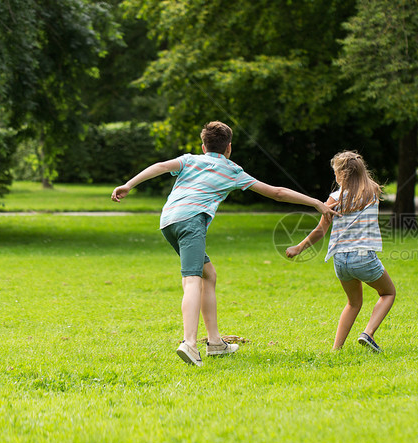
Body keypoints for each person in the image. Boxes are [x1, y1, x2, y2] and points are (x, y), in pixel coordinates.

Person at [112, 121, 337, 367]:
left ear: (203, 146)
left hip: (169, 221)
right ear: (229, 148)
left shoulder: (190, 160)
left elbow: (161, 166)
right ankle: (189, 343)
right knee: (192, 280)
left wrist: (129, 184)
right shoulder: (232, 170)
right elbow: (277, 193)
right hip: (191, 222)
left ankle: (216, 343)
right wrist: (316, 203)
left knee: (209, 275)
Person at [285, 151, 396, 352]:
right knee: (388, 293)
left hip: (340, 260)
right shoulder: (371, 191)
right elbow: (368, 183)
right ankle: (368, 333)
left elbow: (320, 231)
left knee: (353, 303)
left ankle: (336, 349)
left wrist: (299, 247)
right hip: (363, 257)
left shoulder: (334, 199)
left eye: (336, 172)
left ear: (340, 175)